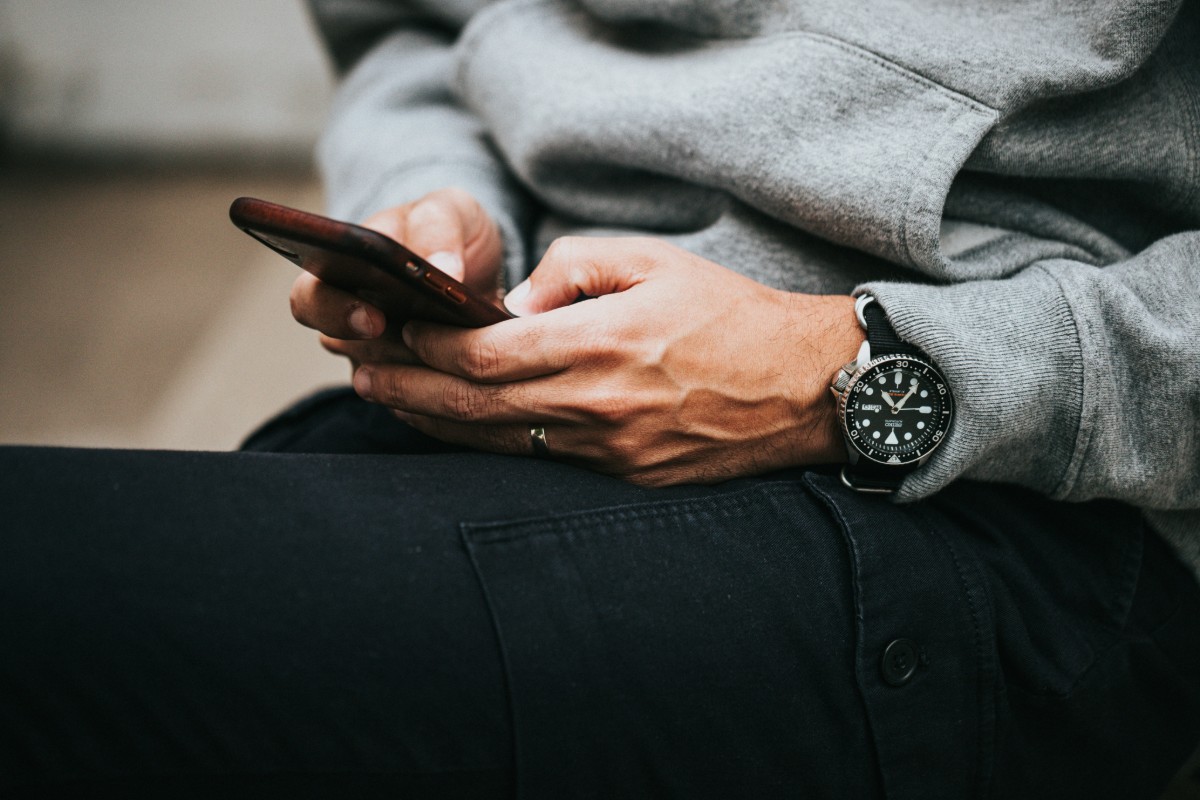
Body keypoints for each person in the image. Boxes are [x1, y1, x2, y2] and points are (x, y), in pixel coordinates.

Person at [2, 0, 1198, 796]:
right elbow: (418, 31)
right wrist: (438, 196)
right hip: (537, 367)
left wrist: (853, 374)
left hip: (1029, 495)